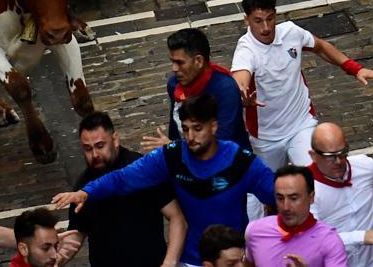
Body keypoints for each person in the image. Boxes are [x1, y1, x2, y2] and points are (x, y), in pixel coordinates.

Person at [52, 94, 277, 267]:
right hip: (190, 259)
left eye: (198, 129)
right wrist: (87, 192)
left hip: (230, 260)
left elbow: (278, 195)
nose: (190, 137)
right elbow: (122, 177)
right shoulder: (171, 156)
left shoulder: (240, 161)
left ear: (214, 126)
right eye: (186, 129)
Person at [233, 0, 373, 170]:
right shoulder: (246, 50)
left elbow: (320, 46)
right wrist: (241, 95)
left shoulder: (291, 32)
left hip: (301, 125)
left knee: (316, 180)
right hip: (266, 138)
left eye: (270, 18)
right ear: (247, 20)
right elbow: (240, 77)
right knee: (266, 192)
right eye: (258, 21)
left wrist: (355, 69)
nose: (265, 27)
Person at [64, 112, 186, 267]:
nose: (94, 155)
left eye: (100, 146)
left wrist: (170, 262)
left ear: (115, 139)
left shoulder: (143, 169)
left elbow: (177, 218)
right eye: (88, 149)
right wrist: (58, 253)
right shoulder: (82, 186)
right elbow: (77, 232)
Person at [307, 122, 373, 267]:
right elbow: (314, 237)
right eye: (330, 156)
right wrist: (362, 237)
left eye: (343, 153)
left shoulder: (366, 166)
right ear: (313, 156)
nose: (338, 161)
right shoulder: (305, 189)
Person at [143, 28, 249, 151]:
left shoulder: (225, 89)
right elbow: (175, 127)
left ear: (199, 61)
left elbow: (221, 142)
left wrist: (174, 148)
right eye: (172, 62)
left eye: (180, 62)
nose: (174, 68)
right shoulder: (174, 85)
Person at [245, 165, 348, 267]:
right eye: (280, 198)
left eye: (293, 198)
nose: (286, 207)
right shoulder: (255, 231)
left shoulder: (329, 241)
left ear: (311, 197)